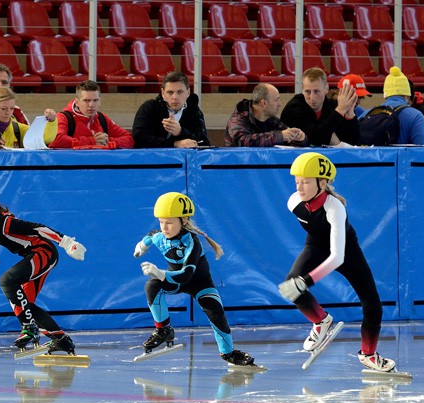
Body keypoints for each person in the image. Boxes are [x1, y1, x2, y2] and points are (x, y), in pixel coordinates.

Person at [277, 152, 395, 372]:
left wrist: (308, 280)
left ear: (322, 183)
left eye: (306, 182)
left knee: (373, 306)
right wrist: (301, 282)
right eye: (297, 182)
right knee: (290, 286)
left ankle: (368, 354)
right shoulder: (293, 202)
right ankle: (321, 321)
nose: (299, 187)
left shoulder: (335, 208)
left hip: (346, 252)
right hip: (315, 246)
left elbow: (337, 257)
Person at [0, 180, 87, 353]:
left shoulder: (3, 222)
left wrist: (66, 242)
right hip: (33, 255)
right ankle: (61, 340)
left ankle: (29, 328)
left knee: (7, 281)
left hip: (43, 252)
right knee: (25, 304)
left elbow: (37, 228)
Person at [133, 192, 254, 367]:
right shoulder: (160, 236)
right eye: (161, 222)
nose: (164, 227)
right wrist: (142, 246)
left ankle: (228, 353)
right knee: (152, 286)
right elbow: (151, 235)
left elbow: (186, 275)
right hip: (174, 279)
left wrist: (160, 273)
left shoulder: (192, 243)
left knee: (216, 311)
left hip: (199, 283)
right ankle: (163, 330)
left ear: (183, 221)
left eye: (169, 222)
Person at [281, 67, 360, 146]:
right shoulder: (293, 109)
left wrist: (350, 116)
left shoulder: (332, 106)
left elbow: (354, 143)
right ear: (302, 89)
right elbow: (314, 140)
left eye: (316, 91)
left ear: (326, 88)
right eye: (308, 92)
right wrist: (340, 111)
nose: (312, 98)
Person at [132, 71, 210, 148]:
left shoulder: (195, 111)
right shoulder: (149, 108)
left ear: (188, 92)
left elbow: (204, 143)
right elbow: (138, 138)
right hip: (151, 159)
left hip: (182, 160)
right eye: (170, 92)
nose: (175, 97)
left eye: (180, 92)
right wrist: (174, 144)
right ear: (163, 93)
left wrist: (180, 132)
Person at [48, 80, 134, 149]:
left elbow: (129, 139)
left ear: (100, 101)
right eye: (86, 100)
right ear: (77, 102)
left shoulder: (102, 118)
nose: (91, 105)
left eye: (95, 100)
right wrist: (92, 141)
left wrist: (107, 141)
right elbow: (56, 140)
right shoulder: (64, 117)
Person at [224, 83, 308, 147]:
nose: (280, 104)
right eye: (277, 100)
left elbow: (287, 135)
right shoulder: (237, 120)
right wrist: (279, 136)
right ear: (264, 103)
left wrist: (299, 139)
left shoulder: (273, 120)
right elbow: (244, 141)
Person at [378, 66, 424, 145]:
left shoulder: (367, 114)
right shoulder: (416, 116)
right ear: (408, 95)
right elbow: (422, 153)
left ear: (385, 95)